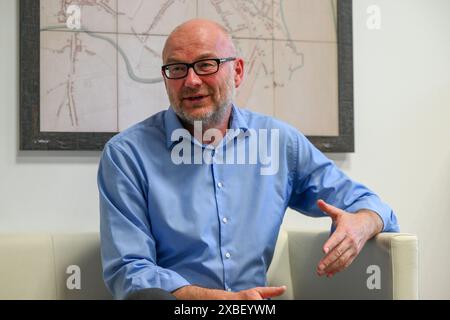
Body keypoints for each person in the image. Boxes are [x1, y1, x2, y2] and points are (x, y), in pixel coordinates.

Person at [97, 19, 399, 300]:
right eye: (176, 69)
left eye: (206, 64)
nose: (190, 81)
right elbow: (130, 273)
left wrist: (362, 224)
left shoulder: (278, 142)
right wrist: (224, 302)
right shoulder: (127, 155)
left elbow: (370, 204)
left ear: (237, 71)